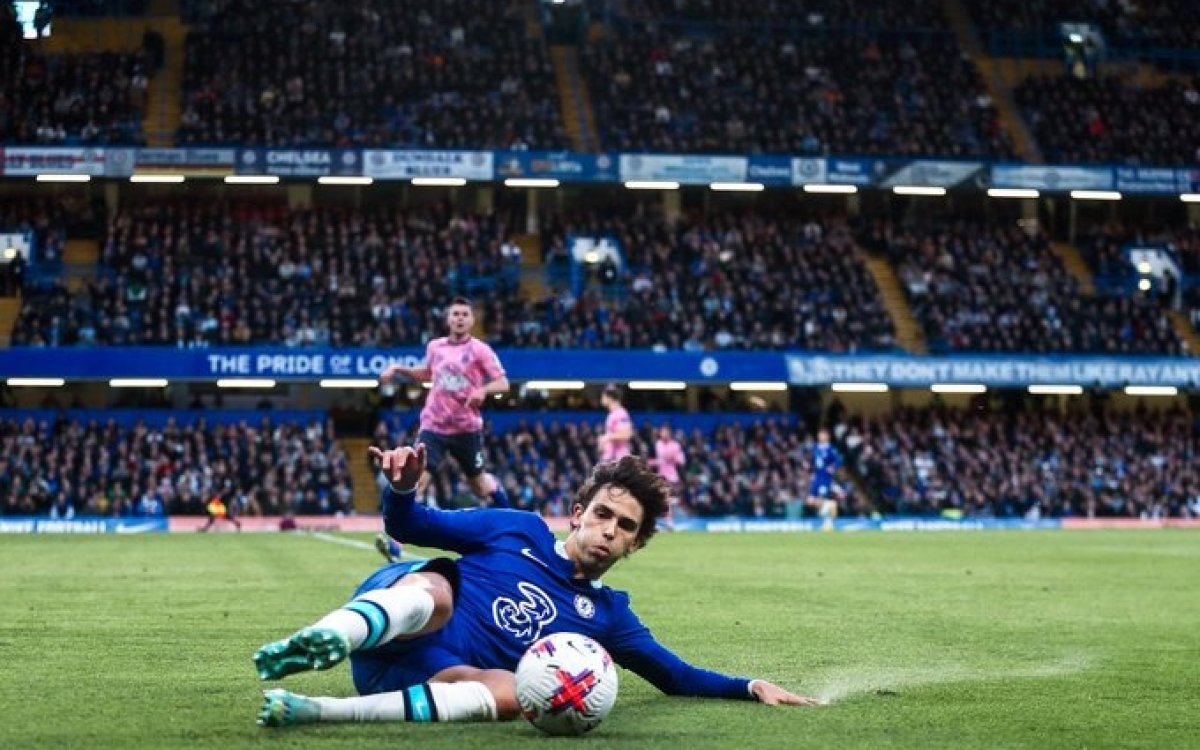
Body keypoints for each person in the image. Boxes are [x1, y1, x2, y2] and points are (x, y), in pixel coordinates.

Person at [253, 443, 819, 728]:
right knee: (440, 586)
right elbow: (411, 527)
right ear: (577, 513)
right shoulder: (516, 528)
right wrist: (400, 490)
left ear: (636, 544)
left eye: (625, 527)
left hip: (426, 679)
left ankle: (317, 709)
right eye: (602, 515)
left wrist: (748, 687)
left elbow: (676, 677)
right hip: (397, 618)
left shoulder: (610, 617)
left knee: (514, 693)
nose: (608, 531)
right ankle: (328, 635)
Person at [374, 297, 510, 562]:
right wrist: (399, 369)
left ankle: (510, 527)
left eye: (464, 314)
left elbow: (503, 383)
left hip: (466, 428)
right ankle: (395, 543)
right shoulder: (435, 347)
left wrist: (483, 390)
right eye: (455, 314)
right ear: (448, 319)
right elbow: (427, 373)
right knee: (417, 479)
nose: (459, 318)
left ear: (471, 320)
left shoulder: (480, 350)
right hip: (433, 425)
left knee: (481, 486)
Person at [648, 424, 685, 530]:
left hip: (672, 477)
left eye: (666, 432)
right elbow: (650, 461)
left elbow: (681, 461)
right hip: (659, 476)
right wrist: (655, 462)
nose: (664, 434)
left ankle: (669, 521)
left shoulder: (675, 445)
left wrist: (673, 458)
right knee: (661, 499)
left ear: (670, 433)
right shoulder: (657, 445)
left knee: (666, 499)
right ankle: (664, 521)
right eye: (662, 432)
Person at [805, 429, 843, 531]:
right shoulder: (816, 448)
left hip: (825, 477)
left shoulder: (831, 449)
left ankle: (827, 523)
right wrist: (810, 469)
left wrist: (833, 467)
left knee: (821, 499)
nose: (820, 437)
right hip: (817, 477)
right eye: (819, 435)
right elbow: (813, 461)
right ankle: (831, 504)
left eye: (822, 435)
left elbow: (839, 460)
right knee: (810, 501)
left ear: (827, 437)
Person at [598, 384, 633, 462]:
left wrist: (607, 438)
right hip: (611, 459)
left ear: (610, 398)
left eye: (603, 396)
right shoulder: (611, 414)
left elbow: (626, 434)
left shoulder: (621, 413)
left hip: (619, 460)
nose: (601, 399)